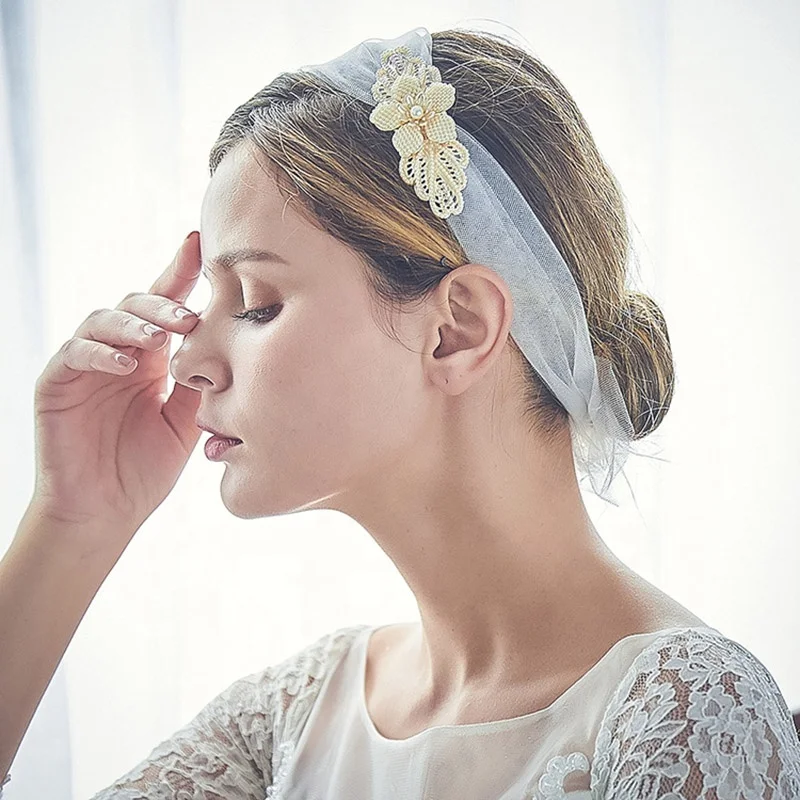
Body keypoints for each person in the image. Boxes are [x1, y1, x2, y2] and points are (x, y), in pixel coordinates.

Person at [1, 24, 799, 800]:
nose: (186, 362)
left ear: (457, 330)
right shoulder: (285, 723)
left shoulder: (683, 715)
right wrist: (75, 521)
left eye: (255, 303)